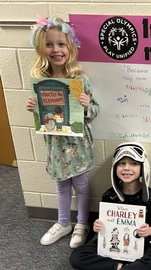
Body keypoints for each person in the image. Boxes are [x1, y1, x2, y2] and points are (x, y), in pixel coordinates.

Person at [25, 16, 100, 248]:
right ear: (40, 48)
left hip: (78, 146)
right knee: (61, 185)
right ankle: (63, 222)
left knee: (81, 186)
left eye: (61, 44)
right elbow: (45, 117)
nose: (56, 50)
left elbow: (97, 110)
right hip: (56, 146)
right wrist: (33, 108)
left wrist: (88, 105)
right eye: (49, 44)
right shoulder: (40, 81)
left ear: (70, 47)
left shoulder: (80, 79)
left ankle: (82, 223)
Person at [69, 142, 151, 270]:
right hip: (111, 240)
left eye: (134, 163)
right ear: (115, 167)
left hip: (142, 242)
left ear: (143, 167)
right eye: (122, 163)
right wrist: (97, 225)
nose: (127, 168)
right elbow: (103, 223)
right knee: (76, 257)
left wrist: (149, 230)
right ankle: (120, 267)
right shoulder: (109, 195)